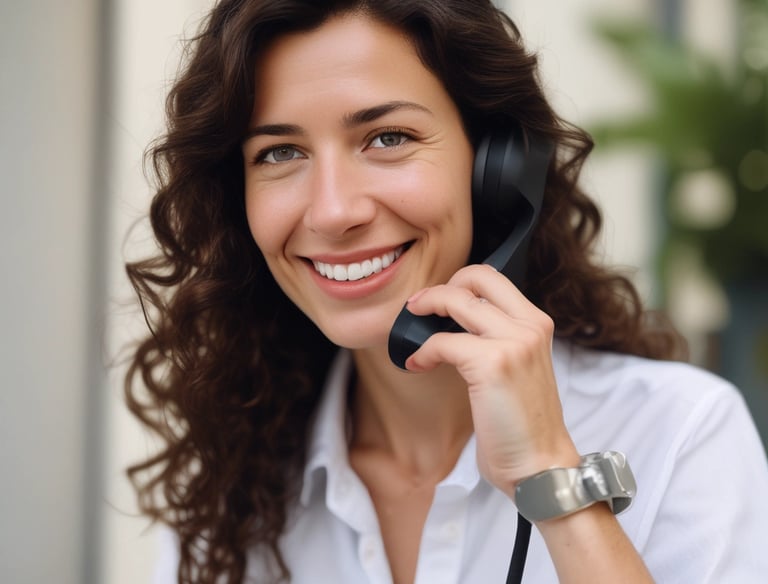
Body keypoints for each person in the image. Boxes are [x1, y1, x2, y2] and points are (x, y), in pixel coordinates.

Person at [123, 1, 768, 583]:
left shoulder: (679, 432)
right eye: (279, 153)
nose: (333, 211)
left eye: (388, 138)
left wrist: (550, 476)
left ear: (498, 168)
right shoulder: (234, 487)